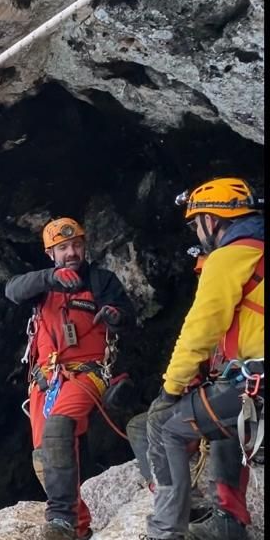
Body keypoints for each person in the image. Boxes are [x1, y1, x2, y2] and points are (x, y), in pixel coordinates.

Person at [144, 178, 265, 540]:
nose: (197, 233)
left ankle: (165, 532)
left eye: (196, 223)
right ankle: (227, 523)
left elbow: (200, 329)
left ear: (212, 220)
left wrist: (171, 388)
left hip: (258, 382)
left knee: (167, 427)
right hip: (251, 380)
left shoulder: (230, 256)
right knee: (225, 422)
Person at [6, 217, 136, 540]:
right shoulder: (42, 287)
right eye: (63, 248)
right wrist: (50, 279)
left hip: (88, 373)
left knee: (58, 427)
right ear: (51, 253)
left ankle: (62, 521)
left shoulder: (100, 280)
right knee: (42, 458)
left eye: (76, 245)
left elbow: (128, 315)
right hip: (46, 379)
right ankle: (78, 526)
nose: (72, 253)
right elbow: (12, 290)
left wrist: (114, 316)